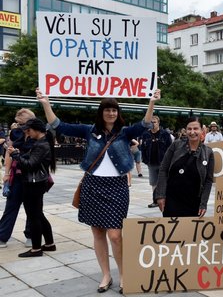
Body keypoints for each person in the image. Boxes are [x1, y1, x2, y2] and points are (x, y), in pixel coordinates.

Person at [37, 87, 160, 294]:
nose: (111, 113)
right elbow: (59, 125)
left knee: (115, 235)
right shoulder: (89, 130)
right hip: (93, 185)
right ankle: (106, 274)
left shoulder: (125, 132)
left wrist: (151, 102)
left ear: (118, 113)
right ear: (101, 112)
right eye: (107, 110)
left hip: (117, 187)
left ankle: (123, 274)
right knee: (98, 232)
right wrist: (46, 103)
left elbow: (145, 124)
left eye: (114, 110)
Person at [7, 118, 56, 258]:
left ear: (36, 129)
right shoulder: (42, 142)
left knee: (34, 216)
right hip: (36, 183)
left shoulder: (41, 145)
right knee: (38, 214)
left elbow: (29, 165)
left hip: (33, 183)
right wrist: (18, 153)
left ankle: (36, 249)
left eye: (28, 130)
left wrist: (15, 155)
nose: (27, 133)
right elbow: (32, 159)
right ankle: (49, 244)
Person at [155, 117, 214, 217]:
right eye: (189, 129)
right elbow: (163, 169)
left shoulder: (208, 152)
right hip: (172, 199)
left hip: (194, 202)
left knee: (189, 232)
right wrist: (160, 195)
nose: (192, 132)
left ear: (202, 130)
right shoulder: (176, 146)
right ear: (185, 130)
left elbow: (208, 181)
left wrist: (203, 204)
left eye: (195, 129)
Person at [0, 108, 35, 249]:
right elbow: (9, 154)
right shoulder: (16, 135)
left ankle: (32, 235)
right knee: (11, 206)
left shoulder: (39, 134)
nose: (20, 127)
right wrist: (6, 173)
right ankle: (2, 236)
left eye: (23, 124)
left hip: (33, 176)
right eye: (18, 123)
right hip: (17, 175)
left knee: (32, 208)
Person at [140, 116, 173, 208]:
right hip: (151, 162)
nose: (152, 124)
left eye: (154, 122)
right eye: (151, 122)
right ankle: (155, 201)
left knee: (164, 181)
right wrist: (145, 159)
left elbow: (170, 148)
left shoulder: (165, 134)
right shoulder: (146, 134)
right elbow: (143, 148)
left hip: (163, 162)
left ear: (158, 123)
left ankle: (166, 199)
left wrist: (168, 161)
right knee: (153, 183)